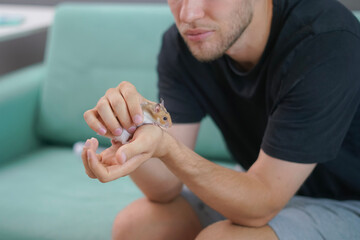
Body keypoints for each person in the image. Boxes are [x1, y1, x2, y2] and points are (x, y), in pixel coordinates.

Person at [82, 0, 360, 239]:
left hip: (348, 201)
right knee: (138, 227)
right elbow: (165, 187)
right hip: (267, 189)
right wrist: (127, 133)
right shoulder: (186, 44)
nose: (188, 15)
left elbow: (263, 200)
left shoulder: (327, 40)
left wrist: (168, 149)